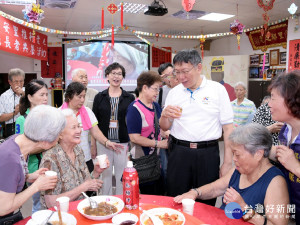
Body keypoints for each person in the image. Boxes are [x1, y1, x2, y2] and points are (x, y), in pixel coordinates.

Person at [174, 123, 289, 225]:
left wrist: (244, 209)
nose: (234, 159)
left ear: (258, 154)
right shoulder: (240, 169)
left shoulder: (275, 182)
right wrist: (195, 192)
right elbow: (215, 188)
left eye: (237, 154)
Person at [159, 49, 233, 206]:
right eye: (177, 72)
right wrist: (164, 116)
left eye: (185, 71)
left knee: (206, 201)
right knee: (176, 197)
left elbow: (228, 129)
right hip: (179, 153)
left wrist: (227, 163)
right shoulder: (174, 92)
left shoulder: (217, 90)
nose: (180, 77)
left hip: (208, 154)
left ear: (199, 67)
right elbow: (164, 126)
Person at [0, 105, 65, 223]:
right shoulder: (11, 158)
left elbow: (6, 179)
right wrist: (37, 186)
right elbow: (3, 208)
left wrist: (29, 176)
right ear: (45, 142)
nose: (59, 138)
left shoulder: (18, 141)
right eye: (58, 136)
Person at [40, 109, 108, 209]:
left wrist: (96, 173)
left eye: (79, 126)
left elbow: (86, 183)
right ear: (60, 134)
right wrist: (83, 187)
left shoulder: (78, 150)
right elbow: (51, 203)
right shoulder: (51, 160)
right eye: (73, 127)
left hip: (79, 210)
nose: (79, 130)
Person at [61, 82, 123, 173]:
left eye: (84, 96)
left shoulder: (87, 111)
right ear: (69, 97)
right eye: (79, 97)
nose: (82, 100)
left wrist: (107, 142)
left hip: (85, 158)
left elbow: (95, 131)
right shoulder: (59, 114)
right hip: (66, 159)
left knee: (89, 184)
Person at [92, 62, 135, 195]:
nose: (116, 76)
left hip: (122, 143)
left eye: (119, 74)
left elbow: (131, 122)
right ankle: (106, 202)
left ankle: (121, 201)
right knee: (105, 175)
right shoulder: (100, 97)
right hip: (103, 143)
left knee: (122, 175)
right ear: (107, 76)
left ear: (123, 77)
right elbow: (94, 124)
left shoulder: (129, 98)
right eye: (113, 73)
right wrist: (93, 145)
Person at [126, 71, 168, 195]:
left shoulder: (155, 105)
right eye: (155, 89)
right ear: (144, 88)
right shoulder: (134, 109)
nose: (157, 93)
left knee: (159, 192)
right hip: (142, 161)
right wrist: (158, 144)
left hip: (156, 160)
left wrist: (167, 133)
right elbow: (134, 138)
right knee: (148, 195)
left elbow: (159, 127)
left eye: (158, 90)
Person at [268, 72, 300, 223]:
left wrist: (295, 166)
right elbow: (284, 157)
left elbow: (291, 162)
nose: (269, 104)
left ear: (291, 99)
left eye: (273, 98)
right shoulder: (285, 129)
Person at [15, 79, 48, 213]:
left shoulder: (49, 116)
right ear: (30, 97)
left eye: (46, 94)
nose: (45, 98)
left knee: (52, 202)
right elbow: (20, 148)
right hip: (34, 169)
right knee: (39, 204)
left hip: (51, 166)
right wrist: (49, 145)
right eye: (41, 95)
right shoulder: (22, 119)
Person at [71, 68, 99, 163]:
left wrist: (93, 144)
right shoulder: (66, 95)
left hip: (90, 136)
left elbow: (95, 122)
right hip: (73, 137)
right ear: (73, 79)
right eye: (81, 77)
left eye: (86, 77)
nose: (84, 80)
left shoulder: (95, 94)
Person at [0, 68, 25, 137]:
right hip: (11, 127)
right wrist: (15, 113)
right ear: (10, 82)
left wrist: (23, 93)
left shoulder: (28, 92)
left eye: (21, 81)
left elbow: (37, 105)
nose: (19, 84)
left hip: (29, 125)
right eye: (16, 82)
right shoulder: (4, 96)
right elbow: (1, 118)